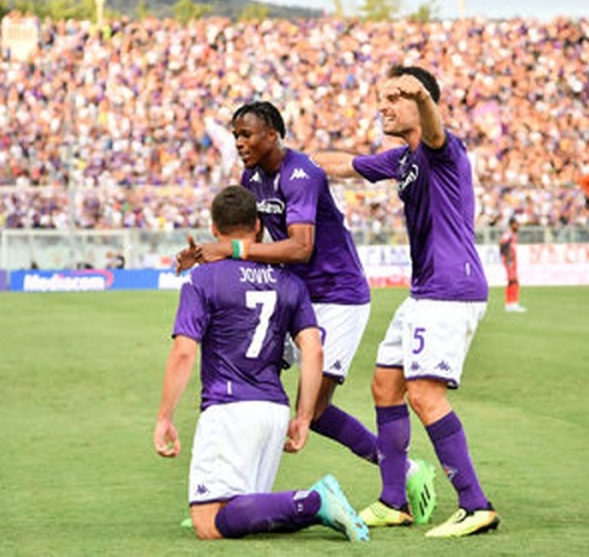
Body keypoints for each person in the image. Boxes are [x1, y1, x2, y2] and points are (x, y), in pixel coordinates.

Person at [177, 101, 438, 525]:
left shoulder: (302, 175)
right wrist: (211, 259)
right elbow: (250, 238)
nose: (239, 142)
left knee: (311, 412)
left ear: (273, 136)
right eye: (236, 135)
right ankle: (227, 497)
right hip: (293, 292)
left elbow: (301, 246)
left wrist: (232, 250)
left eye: (247, 135)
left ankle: (405, 471)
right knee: (247, 384)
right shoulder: (253, 178)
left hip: (337, 296)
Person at [314, 65, 500, 538]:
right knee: (385, 386)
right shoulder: (402, 160)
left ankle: (476, 504)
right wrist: (290, 159)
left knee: (424, 394)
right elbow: (345, 164)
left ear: (420, 103)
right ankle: (394, 500)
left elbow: (435, 129)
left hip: (449, 291)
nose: (383, 106)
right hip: (424, 293)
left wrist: (421, 96)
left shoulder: (443, 149)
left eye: (394, 99)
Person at [153, 185, 369, 542]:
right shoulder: (289, 282)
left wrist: (164, 417)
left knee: (209, 522)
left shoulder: (203, 280)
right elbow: (313, 350)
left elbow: (184, 351)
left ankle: (314, 502)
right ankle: (305, 506)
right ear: (258, 226)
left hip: (230, 407)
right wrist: (303, 415)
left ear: (214, 230)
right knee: (240, 513)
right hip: (274, 411)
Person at [499, 217, 527, 312]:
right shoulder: (508, 234)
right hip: (509, 260)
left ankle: (512, 303)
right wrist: (507, 257)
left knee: (514, 281)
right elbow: (502, 244)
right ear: (511, 224)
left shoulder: (513, 235)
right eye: (516, 224)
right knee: (513, 280)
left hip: (512, 260)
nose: (518, 226)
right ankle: (511, 303)